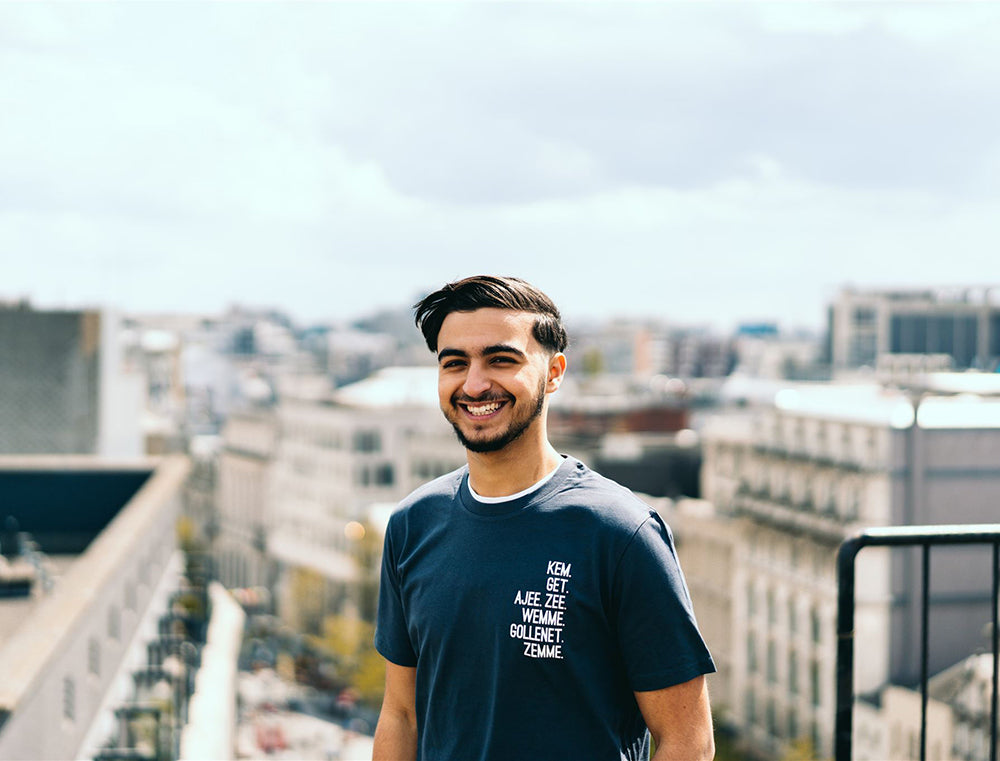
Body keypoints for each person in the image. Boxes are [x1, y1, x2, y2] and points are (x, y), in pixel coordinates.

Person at [372, 275, 716, 761]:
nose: (474, 383)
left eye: (501, 359)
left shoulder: (619, 531)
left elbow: (689, 743)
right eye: (455, 363)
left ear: (554, 373)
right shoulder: (413, 524)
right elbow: (401, 715)